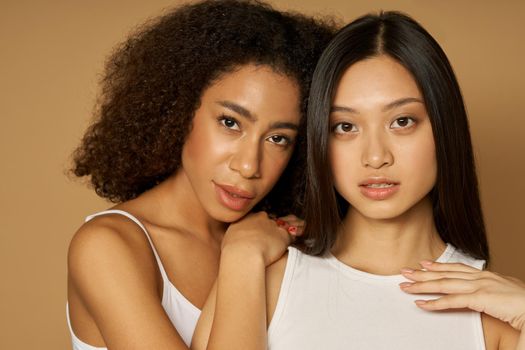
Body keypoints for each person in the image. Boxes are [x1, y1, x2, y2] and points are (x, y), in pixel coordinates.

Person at [192, 11, 525, 350]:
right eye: (345, 127)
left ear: (444, 126)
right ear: (321, 140)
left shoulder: (494, 313)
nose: (375, 156)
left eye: (402, 121)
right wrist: (241, 256)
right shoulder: (257, 276)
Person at [66, 1, 334, 349]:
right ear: (179, 109)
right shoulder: (108, 246)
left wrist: (427, 274)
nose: (249, 166)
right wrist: (242, 258)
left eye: (278, 138)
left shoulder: (278, 236)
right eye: (230, 123)